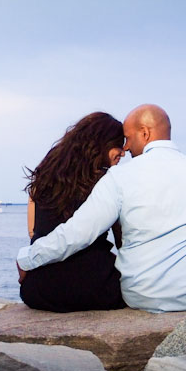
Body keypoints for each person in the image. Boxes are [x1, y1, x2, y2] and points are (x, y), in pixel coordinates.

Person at [17, 104, 186, 313]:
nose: (125, 148)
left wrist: (27, 258)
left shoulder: (118, 177)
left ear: (145, 134)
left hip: (140, 295)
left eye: (127, 138)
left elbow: (78, 233)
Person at [19, 112, 127, 312]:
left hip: (38, 290)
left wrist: (28, 260)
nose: (124, 151)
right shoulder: (105, 181)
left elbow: (34, 231)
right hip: (92, 288)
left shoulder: (48, 169)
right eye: (119, 144)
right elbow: (122, 239)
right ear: (102, 143)